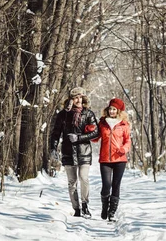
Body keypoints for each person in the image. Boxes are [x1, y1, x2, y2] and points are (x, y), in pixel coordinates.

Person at [50, 87, 99, 218]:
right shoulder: (63, 115)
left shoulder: (88, 114)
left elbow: (96, 132)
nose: (78, 100)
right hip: (68, 151)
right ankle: (76, 209)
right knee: (72, 181)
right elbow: (56, 133)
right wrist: (53, 148)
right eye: (75, 97)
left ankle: (85, 205)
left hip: (84, 151)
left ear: (84, 98)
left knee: (84, 178)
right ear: (71, 99)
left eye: (80, 97)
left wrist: (79, 137)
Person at [93, 98, 131, 221]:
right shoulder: (102, 123)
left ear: (119, 111)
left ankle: (112, 213)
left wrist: (124, 149)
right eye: (110, 109)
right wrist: (89, 130)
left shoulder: (124, 124)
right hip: (105, 160)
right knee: (106, 185)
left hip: (120, 159)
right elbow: (95, 138)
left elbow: (128, 141)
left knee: (116, 185)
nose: (112, 111)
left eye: (114, 109)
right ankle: (105, 207)